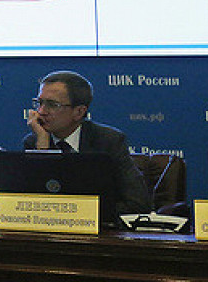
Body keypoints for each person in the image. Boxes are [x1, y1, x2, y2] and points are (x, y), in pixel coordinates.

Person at [23, 70, 151, 215]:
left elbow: (138, 203)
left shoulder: (108, 141)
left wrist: (82, 213)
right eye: (40, 103)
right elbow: (32, 204)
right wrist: (43, 150)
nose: (41, 111)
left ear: (79, 112)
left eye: (52, 105)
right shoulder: (34, 142)